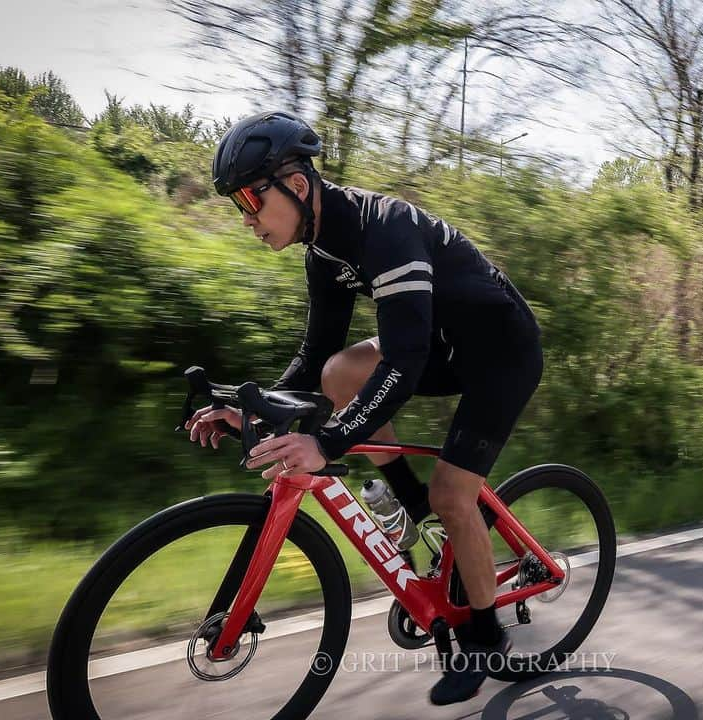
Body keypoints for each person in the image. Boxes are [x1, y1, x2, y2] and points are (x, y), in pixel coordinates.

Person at [183, 111, 543, 705]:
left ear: (297, 187)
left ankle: (485, 634)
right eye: (237, 206)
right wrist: (250, 410)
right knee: (338, 371)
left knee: (456, 494)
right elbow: (315, 358)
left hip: (501, 354)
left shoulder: (387, 229)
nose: (246, 220)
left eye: (251, 200)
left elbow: (402, 362)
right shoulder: (322, 249)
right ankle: (410, 497)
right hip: (441, 347)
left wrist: (325, 444)